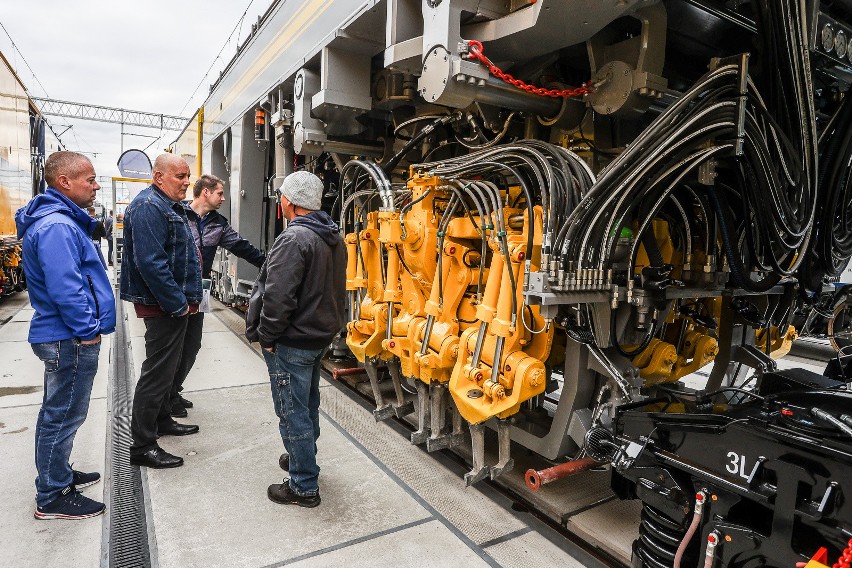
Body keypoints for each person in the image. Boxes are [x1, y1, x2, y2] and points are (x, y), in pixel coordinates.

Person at [15, 151, 116, 520]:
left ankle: (58, 472)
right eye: (89, 179)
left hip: (63, 333)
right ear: (64, 182)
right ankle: (53, 495)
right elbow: (67, 288)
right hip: (68, 335)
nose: (96, 185)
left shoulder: (57, 220)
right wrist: (88, 332)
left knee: (62, 411)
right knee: (63, 414)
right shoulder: (57, 226)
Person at [246, 171, 346, 508]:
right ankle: (301, 457)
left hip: (292, 340)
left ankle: (303, 486)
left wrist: (268, 336)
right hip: (317, 337)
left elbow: (278, 298)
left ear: (289, 201)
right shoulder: (333, 237)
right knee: (307, 404)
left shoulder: (294, 239)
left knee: (292, 412)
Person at [120, 154, 202, 469]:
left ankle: (162, 419)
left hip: (174, 303)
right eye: (180, 176)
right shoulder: (147, 207)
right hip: (164, 306)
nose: (187, 182)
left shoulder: (165, 205)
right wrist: (177, 304)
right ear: (158, 176)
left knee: (167, 370)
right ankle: (141, 445)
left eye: (188, 175)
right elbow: (151, 262)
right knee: (156, 374)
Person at [168, 174, 265, 418]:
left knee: (192, 344)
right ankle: (166, 397)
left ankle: (173, 390)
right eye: (220, 193)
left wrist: (271, 262)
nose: (223, 198)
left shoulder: (218, 224)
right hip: (174, 290)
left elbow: (243, 248)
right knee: (172, 345)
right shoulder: (176, 214)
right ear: (205, 193)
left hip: (199, 292)